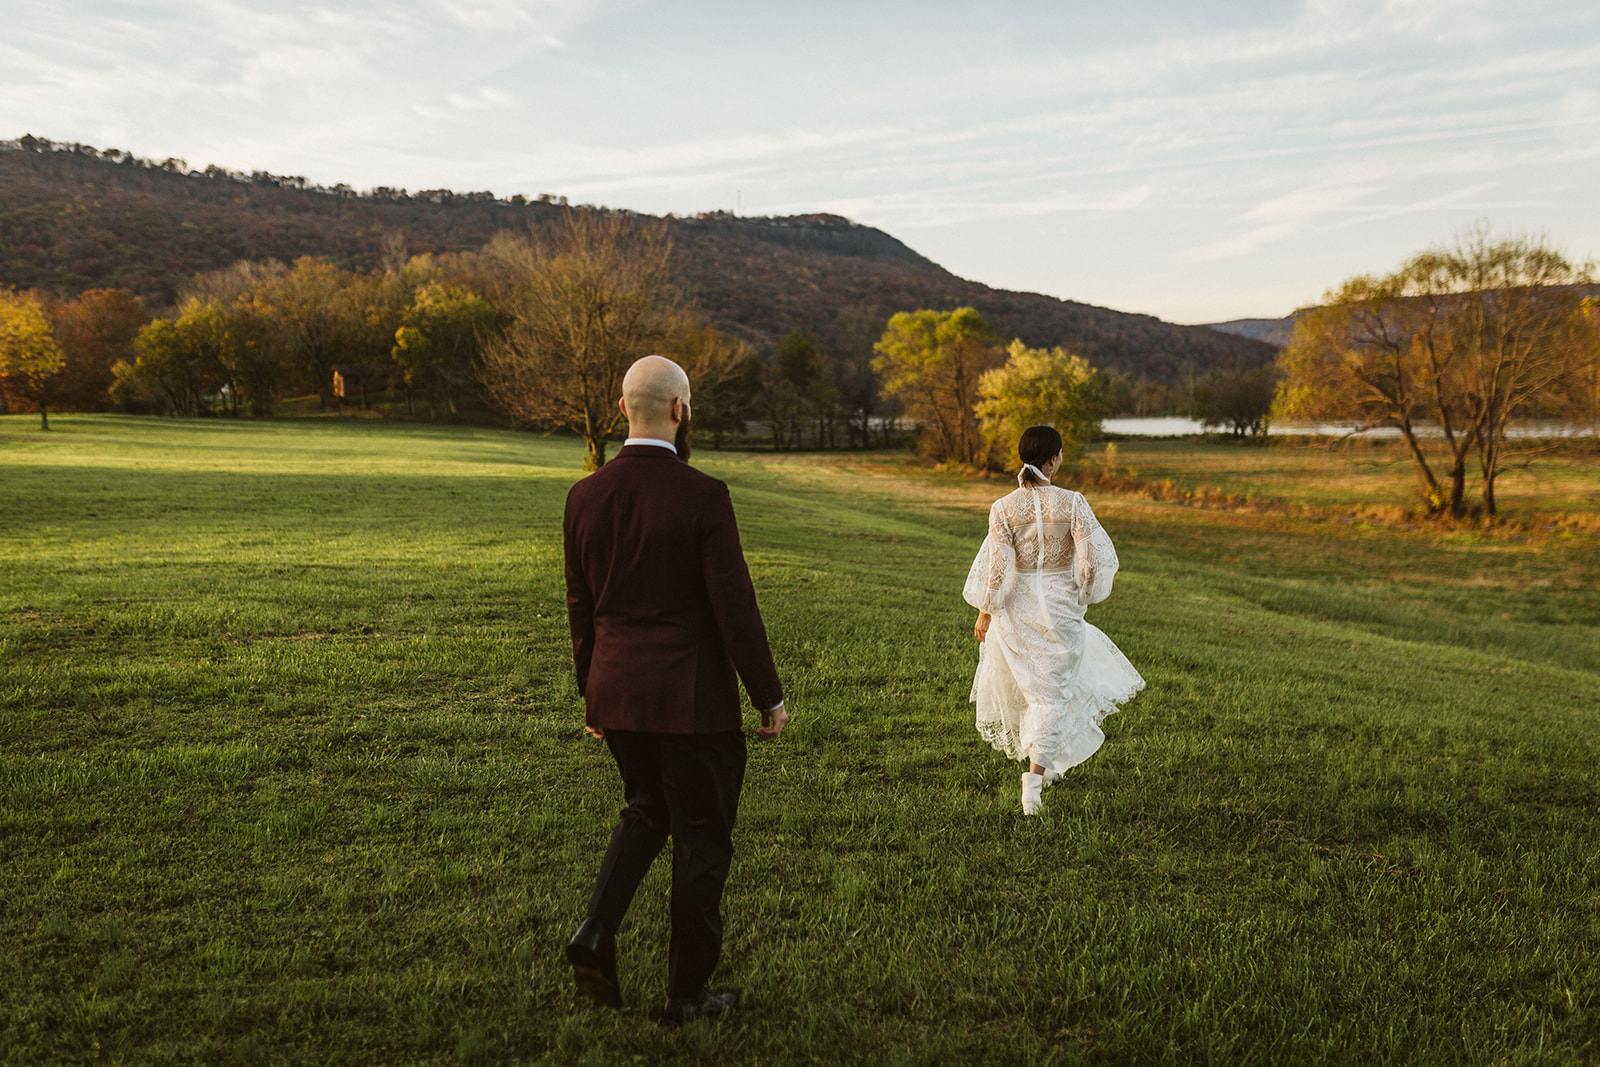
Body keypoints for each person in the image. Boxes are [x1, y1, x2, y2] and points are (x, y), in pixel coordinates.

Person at [562, 355, 787, 1025]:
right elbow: (735, 610)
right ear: (680, 409)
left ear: (624, 407)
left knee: (646, 808)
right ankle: (686, 995)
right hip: (692, 705)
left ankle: (595, 931)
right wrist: (768, 695)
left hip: (618, 694)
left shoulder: (584, 496)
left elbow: (581, 608)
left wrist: (592, 695)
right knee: (701, 839)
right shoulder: (703, 495)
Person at [963, 424, 1143, 816]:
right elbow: (1090, 562)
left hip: (1017, 609)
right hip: (1060, 607)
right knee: (1054, 694)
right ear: (1054, 458)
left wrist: (986, 610)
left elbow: (997, 570)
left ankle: (1044, 766)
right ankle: (1033, 782)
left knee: (1036, 691)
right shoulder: (1073, 503)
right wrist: (1081, 595)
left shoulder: (1003, 508)